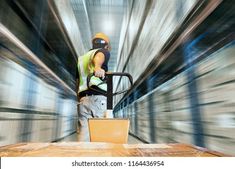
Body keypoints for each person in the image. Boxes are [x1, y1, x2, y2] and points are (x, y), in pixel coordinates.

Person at [76, 32, 111, 141]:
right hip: (98, 99)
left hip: (83, 99)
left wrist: (79, 97)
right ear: (106, 45)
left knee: (84, 136)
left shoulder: (81, 59)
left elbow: (77, 81)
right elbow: (99, 56)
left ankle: (82, 157)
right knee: (101, 136)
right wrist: (97, 67)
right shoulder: (103, 52)